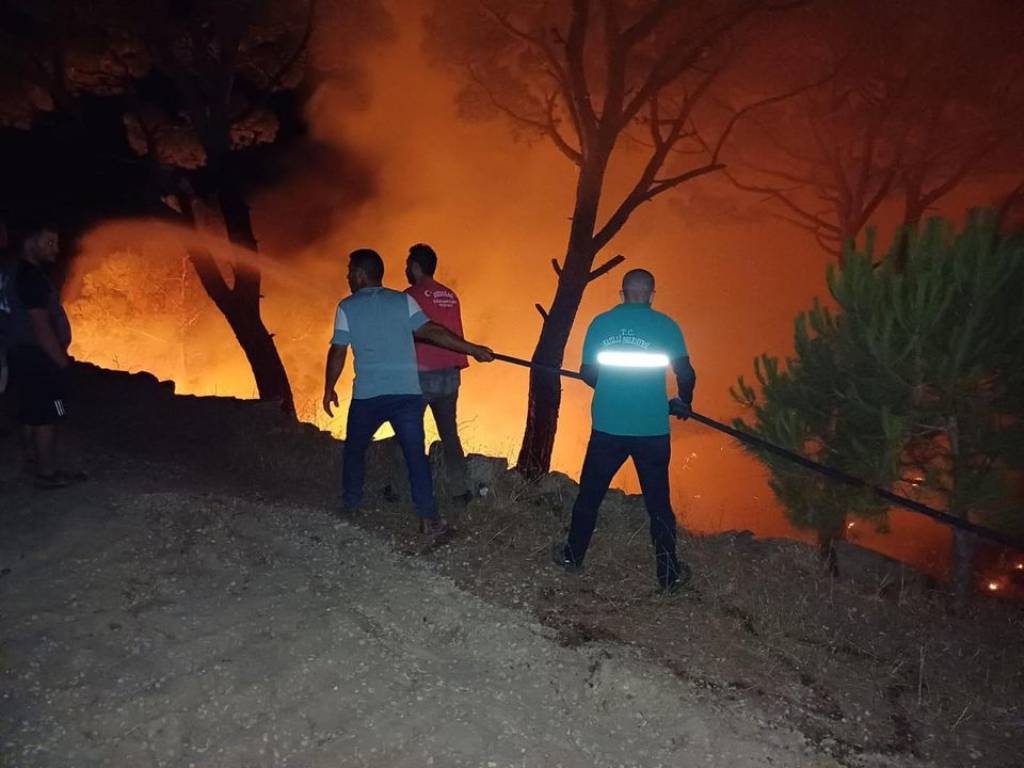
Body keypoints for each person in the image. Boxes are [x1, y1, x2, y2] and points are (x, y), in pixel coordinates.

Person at [323, 249, 494, 542]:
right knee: (417, 456)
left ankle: (351, 505)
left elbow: (338, 351)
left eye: (351, 271)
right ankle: (428, 519)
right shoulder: (403, 300)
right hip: (406, 395)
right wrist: (473, 349)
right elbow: (432, 331)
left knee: (355, 450)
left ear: (362, 274)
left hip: (369, 396)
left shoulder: (346, 307)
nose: (348, 276)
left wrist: (329, 387)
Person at [551, 268, 697, 591]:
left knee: (590, 495)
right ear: (651, 294)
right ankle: (668, 575)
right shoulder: (666, 326)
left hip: (608, 427)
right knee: (658, 504)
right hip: (652, 429)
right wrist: (683, 401)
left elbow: (588, 374)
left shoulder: (601, 323)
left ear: (622, 293)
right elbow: (686, 374)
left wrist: (612, 387)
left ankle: (572, 557)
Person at [4, 228, 79, 488]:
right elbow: (41, 326)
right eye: (49, 242)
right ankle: (48, 474)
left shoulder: (9, 272)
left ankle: (32, 463)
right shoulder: (30, 277)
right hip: (38, 356)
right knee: (47, 416)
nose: (55, 248)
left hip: (18, 353)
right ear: (29, 241)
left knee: (30, 412)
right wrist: (61, 362)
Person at [404, 243, 473, 506]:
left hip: (420, 375)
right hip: (450, 374)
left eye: (407, 265)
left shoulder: (409, 296)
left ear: (416, 267)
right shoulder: (450, 295)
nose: (406, 270)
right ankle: (460, 490)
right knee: (449, 434)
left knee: (409, 432)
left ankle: (404, 488)